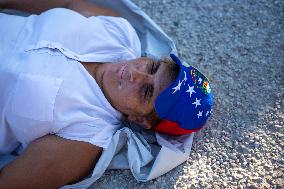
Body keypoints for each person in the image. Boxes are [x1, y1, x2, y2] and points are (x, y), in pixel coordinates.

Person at [0, 0, 214, 188]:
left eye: (147, 91)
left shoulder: (85, 135)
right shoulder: (119, 32)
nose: (136, 74)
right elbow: (67, 3)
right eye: (152, 67)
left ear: (140, 119)